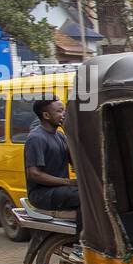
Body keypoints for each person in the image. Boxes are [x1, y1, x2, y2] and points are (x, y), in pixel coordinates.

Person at [24, 97, 80, 235]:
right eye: (60, 111)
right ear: (46, 115)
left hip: (59, 190)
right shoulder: (36, 138)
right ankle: (82, 243)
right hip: (42, 194)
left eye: (64, 111)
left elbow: (74, 161)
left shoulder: (59, 136)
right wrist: (69, 182)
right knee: (83, 197)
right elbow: (34, 174)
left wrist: (69, 133)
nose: (64, 115)